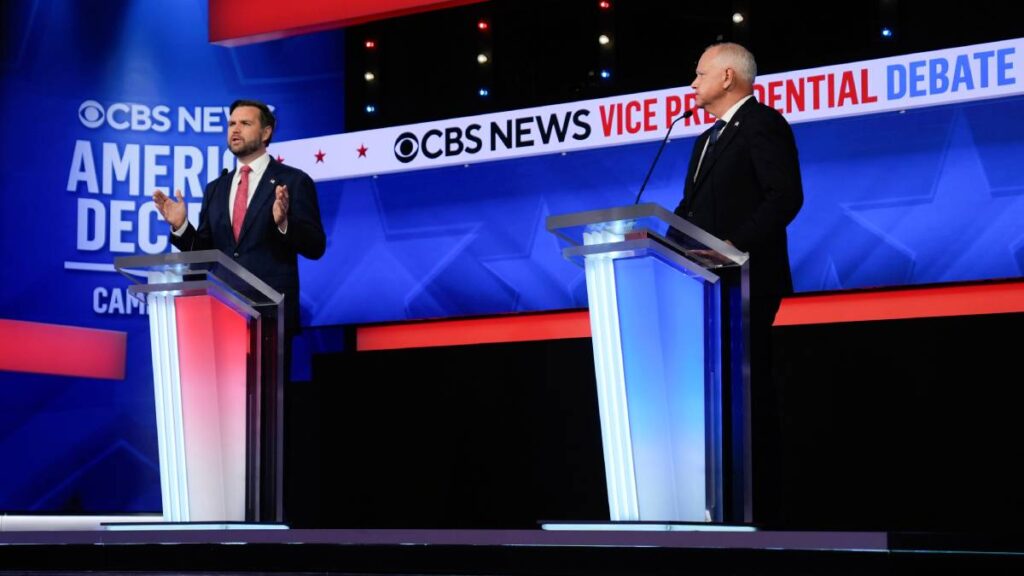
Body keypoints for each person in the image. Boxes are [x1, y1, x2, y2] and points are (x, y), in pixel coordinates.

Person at [673, 43, 803, 526]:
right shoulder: (703, 140)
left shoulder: (763, 124)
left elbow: (785, 196)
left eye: (699, 73)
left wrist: (734, 246)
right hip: (704, 285)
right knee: (710, 399)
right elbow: (690, 209)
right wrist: (654, 242)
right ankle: (713, 508)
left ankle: (759, 513)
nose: (692, 83)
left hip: (748, 280)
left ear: (728, 77)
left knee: (745, 396)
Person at [153, 99, 326, 337]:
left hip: (270, 319)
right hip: (219, 314)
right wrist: (181, 226)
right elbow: (203, 254)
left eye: (245, 123)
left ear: (266, 132)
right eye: (232, 123)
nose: (235, 129)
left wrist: (284, 223)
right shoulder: (216, 188)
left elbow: (316, 246)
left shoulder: (294, 181)